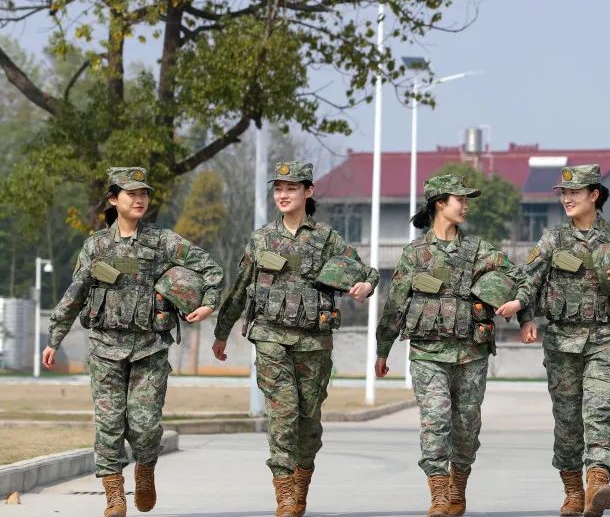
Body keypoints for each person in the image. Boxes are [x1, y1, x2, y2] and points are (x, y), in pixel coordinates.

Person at [42, 166, 223, 517]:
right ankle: (114, 497)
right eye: (131, 194)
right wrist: (54, 338)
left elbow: (211, 269)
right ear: (113, 199)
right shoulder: (96, 245)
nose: (140, 199)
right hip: (105, 349)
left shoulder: (162, 241)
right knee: (108, 425)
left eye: (144, 194)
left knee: (146, 426)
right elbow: (75, 294)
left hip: (149, 350)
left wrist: (208, 303)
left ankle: (145, 470)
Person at [213, 161, 378, 517]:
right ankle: (284, 492)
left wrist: (365, 285)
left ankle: (301, 481)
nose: (283, 195)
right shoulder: (261, 239)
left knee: (309, 421)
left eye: (291, 188)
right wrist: (221, 332)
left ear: (308, 191)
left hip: (314, 342)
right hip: (270, 337)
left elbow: (366, 271)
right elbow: (241, 287)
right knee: (283, 412)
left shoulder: (326, 238)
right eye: (278, 189)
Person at [375, 173, 532, 517]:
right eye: (459, 199)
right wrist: (382, 350)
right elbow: (396, 304)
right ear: (439, 204)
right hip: (428, 354)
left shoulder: (479, 250)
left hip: (473, 354)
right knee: (435, 421)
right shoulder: (415, 255)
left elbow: (521, 279)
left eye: (466, 200)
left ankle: (458, 484)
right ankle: (438, 495)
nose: (465, 206)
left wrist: (523, 313)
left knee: (466, 428)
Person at [517, 164, 610, 517]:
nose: (567, 199)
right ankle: (573, 491)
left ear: (594, 195)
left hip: (607, 340)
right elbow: (529, 281)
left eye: (575, 192)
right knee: (568, 421)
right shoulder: (553, 239)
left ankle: (598, 482)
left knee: (599, 412)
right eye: (564, 193)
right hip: (561, 344)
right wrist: (524, 315)